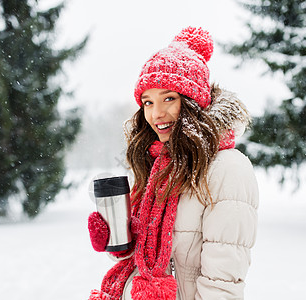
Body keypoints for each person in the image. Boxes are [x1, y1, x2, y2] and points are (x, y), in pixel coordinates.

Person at [87, 26, 259, 300]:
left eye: (169, 98)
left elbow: (222, 284)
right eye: (147, 102)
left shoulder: (227, 169)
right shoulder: (156, 164)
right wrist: (119, 240)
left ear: (193, 101)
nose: (157, 114)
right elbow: (150, 258)